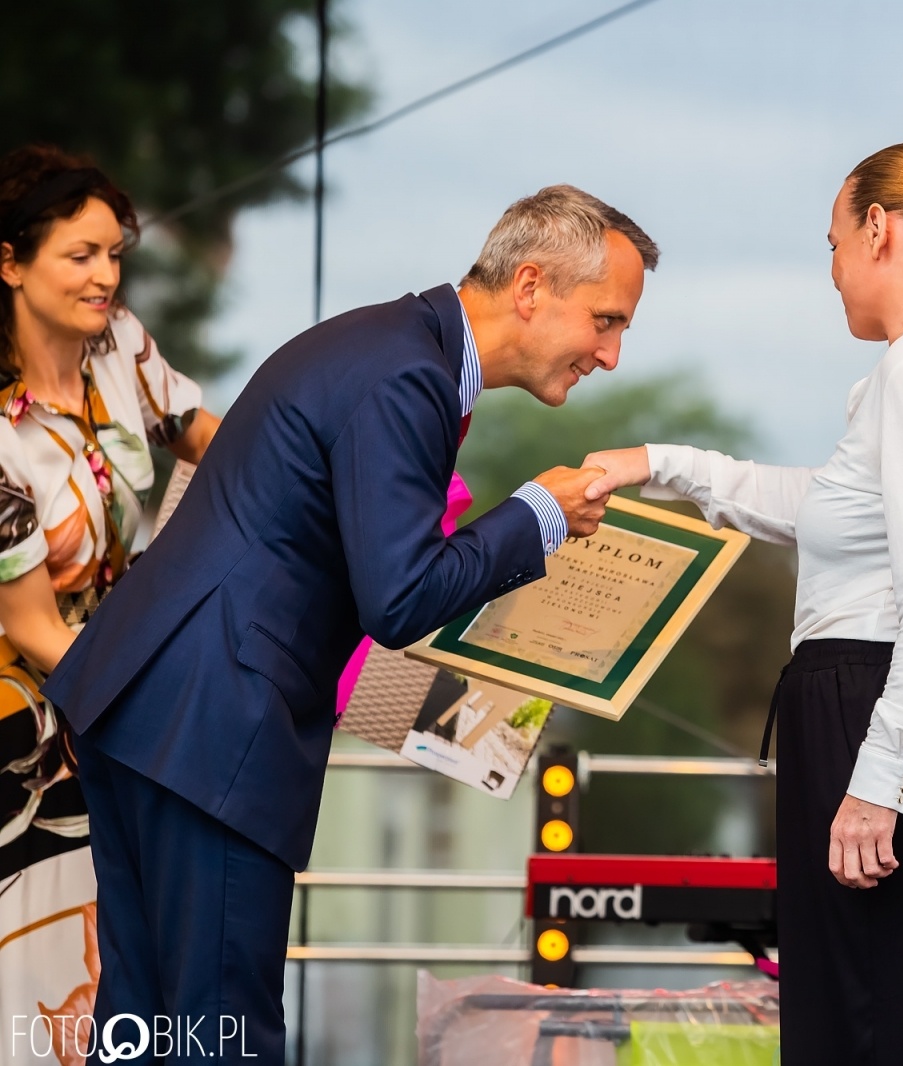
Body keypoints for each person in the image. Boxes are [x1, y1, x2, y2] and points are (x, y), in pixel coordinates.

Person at [42, 185, 656, 1064]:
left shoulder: (391, 346)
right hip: (212, 724)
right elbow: (399, 598)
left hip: (153, 705)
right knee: (220, 1033)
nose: (612, 352)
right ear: (530, 286)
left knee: (143, 1027)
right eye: (606, 319)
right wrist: (537, 515)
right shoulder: (409, 373)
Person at [583, 143, 903, 1065]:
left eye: (833, 243)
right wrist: (660, 465)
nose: (832, 272)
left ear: (879, 229)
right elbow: (838, 513)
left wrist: (880, 781)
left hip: (894, 712)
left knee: (866, 1033)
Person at [0, 146, 221, 1046]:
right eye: (79, 255)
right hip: (29, 731)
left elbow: (214, 441)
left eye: (114, 252)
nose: (105, 275)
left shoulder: (120, 346)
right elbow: (33, 630)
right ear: (9, 262)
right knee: (38, 993)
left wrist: (332, 475)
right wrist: (164, 698)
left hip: (117, 702)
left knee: (113, 984)